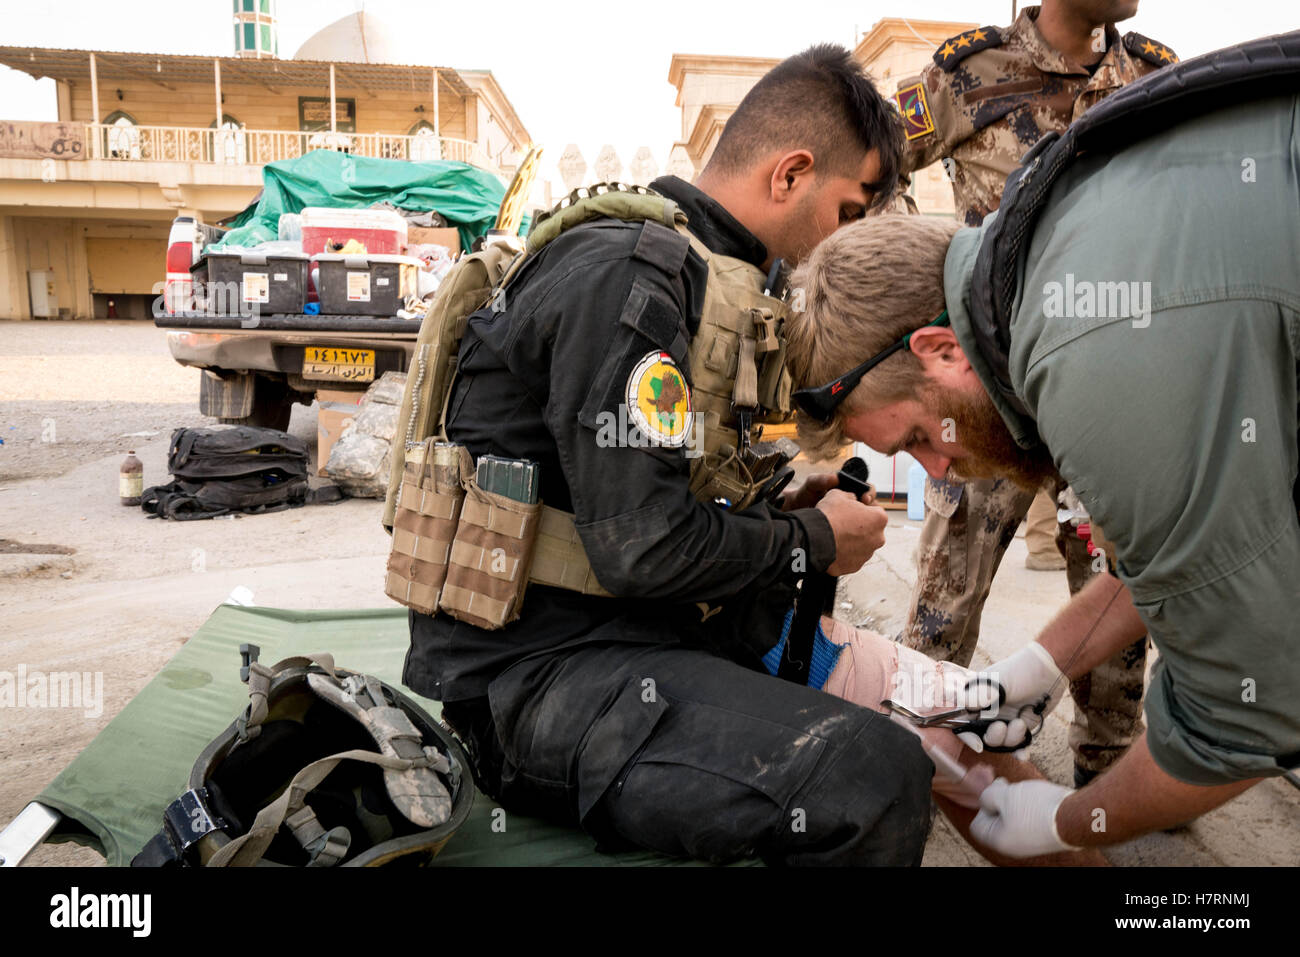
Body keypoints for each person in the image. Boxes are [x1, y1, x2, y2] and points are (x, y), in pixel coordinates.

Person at [401, 45, 940, 866]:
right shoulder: (631, 278)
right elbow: (642, 545)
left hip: (624, 640)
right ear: (790, 175)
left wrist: (782, 514)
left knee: (911, 706)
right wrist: (814, 540)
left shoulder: (698, 275)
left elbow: (655, 495)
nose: (850, 241)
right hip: (540, 686)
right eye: (850, 210)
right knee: (873, 773)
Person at [782, 39, 1300, 855]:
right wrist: (1039, 662)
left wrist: (1062, 820)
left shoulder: (1089, 353)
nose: (940, 468)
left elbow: (1254, 708)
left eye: (919, 436)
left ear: (940, 349)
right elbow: (1182, 555)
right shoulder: (1052, 237)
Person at [889, 0, 1176, 788]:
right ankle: (919, 750)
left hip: (1115, 384)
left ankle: (1110, 761)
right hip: (992, 389)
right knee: (952, 582)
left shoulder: (1155, 74)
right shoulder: (967, 72)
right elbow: (876, 169)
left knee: (1118, 579)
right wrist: (930, 278)